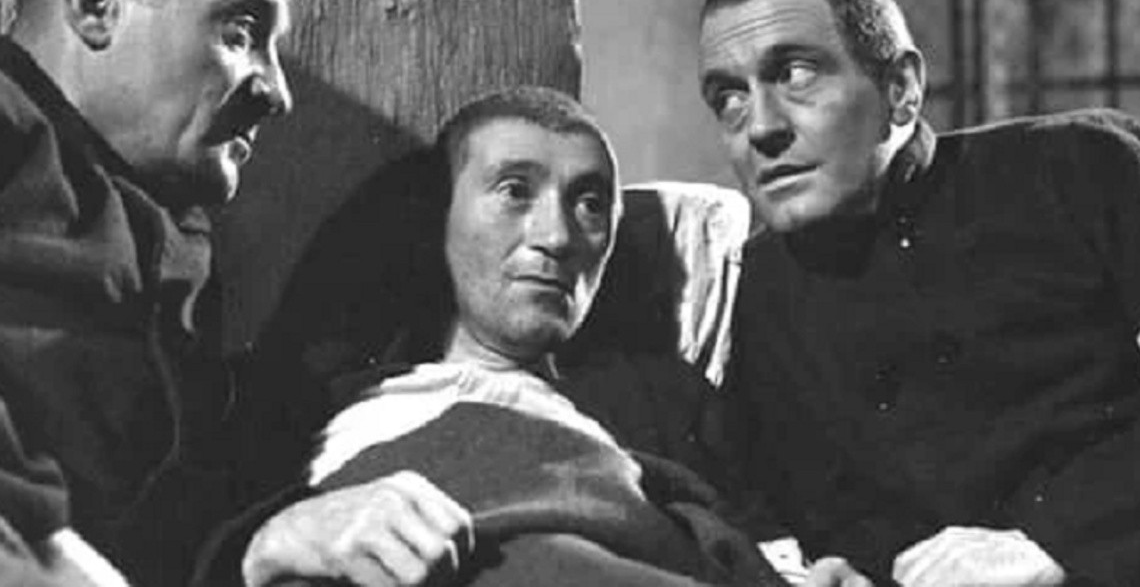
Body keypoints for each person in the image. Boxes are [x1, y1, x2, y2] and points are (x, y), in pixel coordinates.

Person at [695, 0, 1140, 587]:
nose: (761, 127)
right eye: (729, 98)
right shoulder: (754, 294)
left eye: (797, 73)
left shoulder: (1071, 166)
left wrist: (1055, 540)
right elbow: (769, 505)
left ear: (900, 90)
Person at [227, 86, 868, 587]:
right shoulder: (323, 401)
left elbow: (761, 549)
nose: (557, 236)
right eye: (514, 191)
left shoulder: (666, 402)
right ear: (439, 218)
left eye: (590, 203)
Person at [0, 0, 294, 586]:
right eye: (239, 33)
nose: (276, 93)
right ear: (96, 8)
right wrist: (37, 540)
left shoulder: (182, 253)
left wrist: (262, 544)